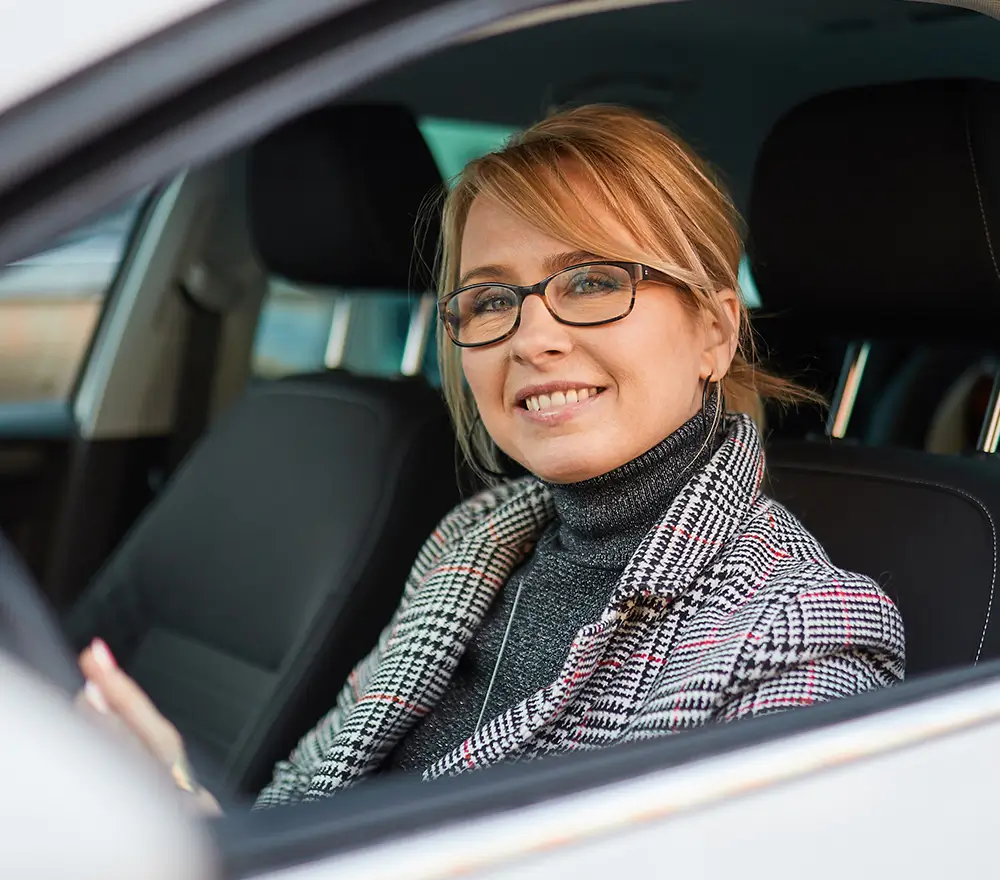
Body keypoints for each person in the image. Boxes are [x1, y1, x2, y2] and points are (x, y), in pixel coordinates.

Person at [78, 104, 905, 813]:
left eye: (590, 281)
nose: (533, 336)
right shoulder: (471, 538)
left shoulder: (803, 634)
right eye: (493, 299)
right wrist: (180, 807)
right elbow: (301, 808)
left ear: (715, 332)